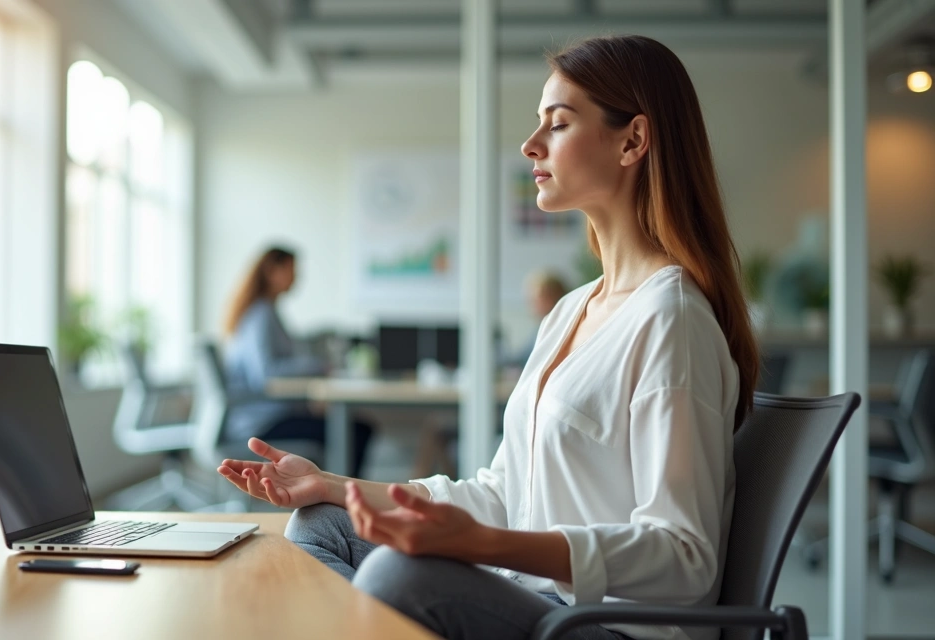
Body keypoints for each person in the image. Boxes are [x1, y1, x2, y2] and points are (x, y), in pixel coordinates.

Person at [217, 35, 759, 640]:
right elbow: (502, 493)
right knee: (322, 524)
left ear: (632, 140)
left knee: (397, 578)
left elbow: (685, 556)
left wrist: (486, 544)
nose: (531, 145)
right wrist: (333, 485)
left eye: (558, 124)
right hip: (529, 593)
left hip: (605, 624)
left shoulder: (672, 320)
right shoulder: (572, 311)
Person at [222, 246, 373, 477]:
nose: (297, 277)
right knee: (353, 431)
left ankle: (341, 498)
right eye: (292, 270)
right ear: (273, 271)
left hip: (268, 416)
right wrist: (318, 366)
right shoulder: (260, 315)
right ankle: (344, 502)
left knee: (353, 427)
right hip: (260, 425)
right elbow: (266, 375)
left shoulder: (268, 312)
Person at [505, 270, 569, 367]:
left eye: (535, 299)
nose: (531, 304)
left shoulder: (558, 330)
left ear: (551, 298)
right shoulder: (542, 326)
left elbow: (527, 360)